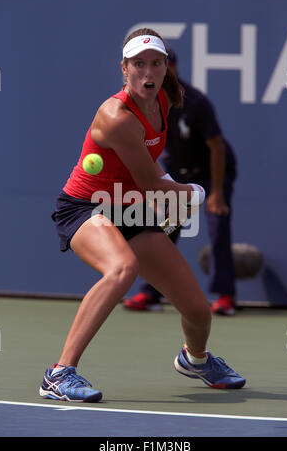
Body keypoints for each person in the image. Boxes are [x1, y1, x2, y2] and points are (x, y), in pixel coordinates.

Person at [39, 29, 245, 403]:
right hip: (86, 206)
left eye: (156, 63)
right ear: (124, 69)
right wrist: (193, 192)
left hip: (128, 207)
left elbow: (149, 167)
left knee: (198, 311)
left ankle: (195, 359)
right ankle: (58, 374)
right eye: (138, 64)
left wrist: (168, 189)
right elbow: (150, 184)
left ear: (166, 68)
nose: (147, 72)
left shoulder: (165, 99)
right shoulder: (115, 116)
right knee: (122, 268)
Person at [124, 49, 237, 316]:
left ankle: (225, 297)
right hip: (178, 173)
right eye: (145, 66)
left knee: (217, 224)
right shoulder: (143, 102)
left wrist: (217, 193)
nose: (154, 73)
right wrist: (157, 186)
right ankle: (150, 294)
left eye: (162, 66)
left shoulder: (195, 102)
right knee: (164, 228)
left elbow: (217, 148)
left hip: (212, 171)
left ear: (170, 69)